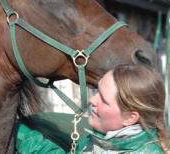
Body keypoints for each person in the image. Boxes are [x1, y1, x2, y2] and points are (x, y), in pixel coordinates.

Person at [15, 64, 169, 153]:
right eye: (97, 92)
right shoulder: (102, 139)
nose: (92, 100)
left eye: (104, 100)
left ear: (130, 118)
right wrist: (19, 133)